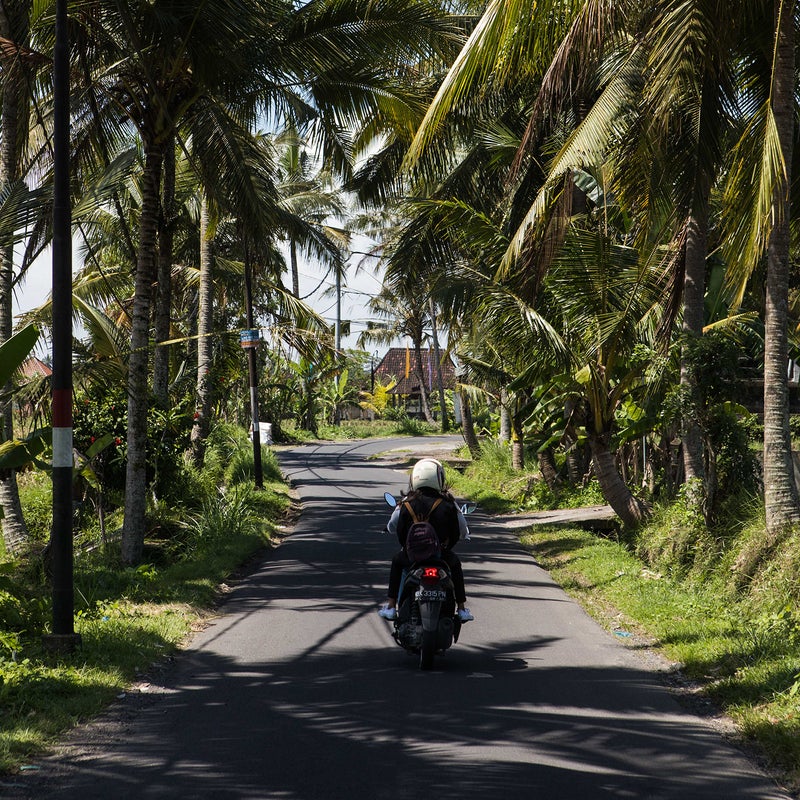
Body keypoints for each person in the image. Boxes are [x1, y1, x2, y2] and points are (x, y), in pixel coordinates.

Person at [378, 457, 474, 623]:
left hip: (412, 555)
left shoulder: (406, 504)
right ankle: (462, 608)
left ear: (414, 479)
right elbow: (457, 530)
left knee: (397, 561)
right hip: (440, 555)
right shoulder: (448, 503)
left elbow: (397, 528)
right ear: (439, 478)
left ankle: (391, 606)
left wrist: (408, 547)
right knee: (455, 565)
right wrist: (446, 547)